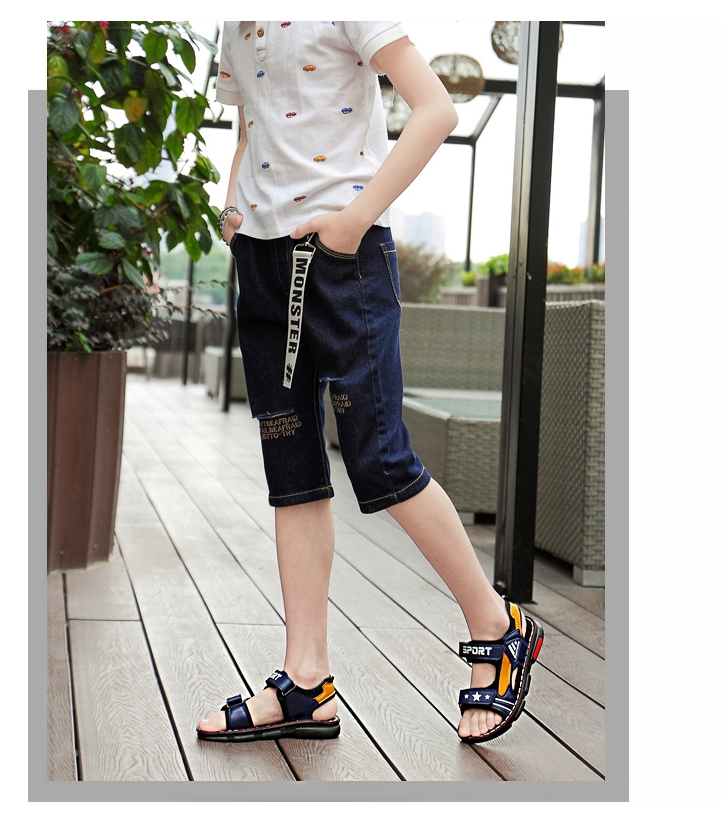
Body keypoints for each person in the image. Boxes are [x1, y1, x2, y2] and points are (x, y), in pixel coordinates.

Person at [196, 20, 543, 746]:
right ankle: (306, 682)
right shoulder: (236, 23)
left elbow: (437, 109)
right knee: (291, 469)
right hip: (261, 260)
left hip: (344, 257)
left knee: (380, 458)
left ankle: (497, 623)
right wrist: (233, 212)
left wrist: (354, 219)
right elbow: (249, 129)